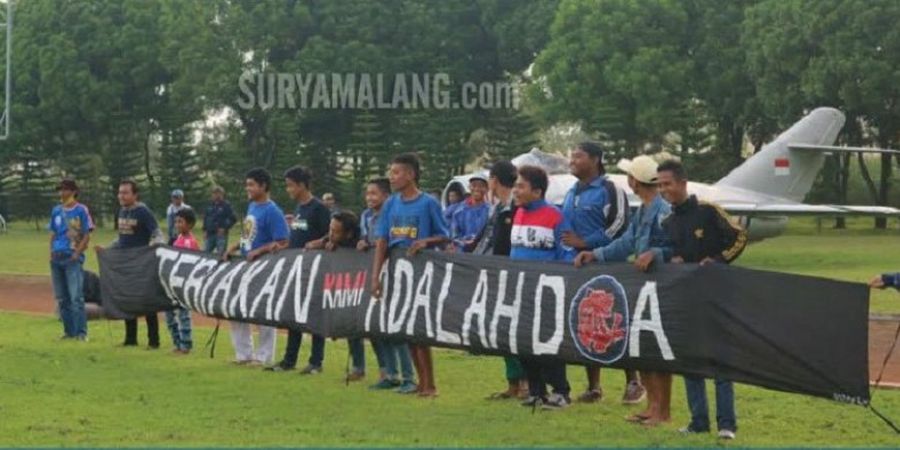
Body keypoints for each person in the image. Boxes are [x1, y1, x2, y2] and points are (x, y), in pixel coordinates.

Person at [574, 155, 674, 426]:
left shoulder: (663, 211)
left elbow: (676, 247)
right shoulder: (642, 211)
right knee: (643, 347)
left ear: (634, 181)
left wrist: (656, 253)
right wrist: (594, 254)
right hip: (643, 287)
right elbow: (626, 243)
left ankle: (662, 411)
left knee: (658, 350)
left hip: (662, 287)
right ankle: (652, 406)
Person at [656, 159, 747, 440]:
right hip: (686, 299)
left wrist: (718, 260)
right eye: (659, 185)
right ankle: (698, 421)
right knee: (690, 359)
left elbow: (739, 237)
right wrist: (672, 259)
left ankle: (726, 424)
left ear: (682, 183)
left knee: (720, 360)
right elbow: (668, 252)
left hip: (718, 297)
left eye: (667, 184)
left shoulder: (709, 211)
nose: (663, 190)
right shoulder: (667, 222)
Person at [560, 142, 640, 405]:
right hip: (579, 268)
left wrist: (587, 243)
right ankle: (594, 386)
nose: (572, 160)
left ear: (595, 159)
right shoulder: (572, 193)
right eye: (572, 155)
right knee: (587, 324)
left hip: (609, 266)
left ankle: (633, 382)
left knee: (617, 322)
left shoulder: (610, 189)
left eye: (578, 155)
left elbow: (620, 226)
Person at [370, 153, 449, 397]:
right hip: (397, 270)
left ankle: (430, 384)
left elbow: (445, 235)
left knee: (420, 329)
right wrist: (376, 276)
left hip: (420, 271)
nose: (391, 177)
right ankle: (418, 382)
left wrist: (425, 241)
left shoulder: (428, 203)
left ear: (411, 174)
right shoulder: (391, 204)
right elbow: (383, 240)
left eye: (396, 172)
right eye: (391, 172)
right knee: (407, 329)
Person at [511, 165, 576, 410]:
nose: (515, 191)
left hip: (547, 294)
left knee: (548, 344)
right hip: (521, 291)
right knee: (522, 342)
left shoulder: (555, 216)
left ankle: (561, 392)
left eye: (520, 186)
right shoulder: (518, 214)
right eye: (516, 185)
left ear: (537, 192)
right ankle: (537, 391)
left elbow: (567, 255)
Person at [265, 166, 331, 374]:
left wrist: (316, 243)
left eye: (291, 185)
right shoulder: (299, 209)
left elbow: (331, 236)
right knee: (292, 313)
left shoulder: (318, 208)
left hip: (315, 269)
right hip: (296, 269)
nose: (288, 190)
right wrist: (283, 246)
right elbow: (297, 238)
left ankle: (316, 362)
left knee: (314, 315)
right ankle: (289, 360)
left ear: (302, 185)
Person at [473, 162, 529, 400]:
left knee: (516, 329)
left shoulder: (517, 208)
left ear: (494, 180)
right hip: (494, 275)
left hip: (512, 276)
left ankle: (526, 382)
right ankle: (513, 383)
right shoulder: (498, 209)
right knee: (501, 329)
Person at [223, 168, 289, 366]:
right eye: (247, 184)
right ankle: (243, 354)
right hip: (245, 266)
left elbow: (283, 241)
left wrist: (259, 251)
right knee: (236, 308)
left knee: (262, 312)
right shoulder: (252, 206)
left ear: (263, 186)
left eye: (251, 184)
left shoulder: (273, 211)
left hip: (264, 268)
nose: (248, 188)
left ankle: (264, 356)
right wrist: (233, 247)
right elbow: (247, 235)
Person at [96, 179, 165, 348]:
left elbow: (156, 232)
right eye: (120, 192)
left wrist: (154, 246)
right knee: (128, 299)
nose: (121, 196)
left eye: (125, 193)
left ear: (135, 195)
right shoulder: (122, 212)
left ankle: (154, 341)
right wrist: (107, 249)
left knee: (147, 301)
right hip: (125, 262)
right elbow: (122, 238)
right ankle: (131, 339)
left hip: (141, 263)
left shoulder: (142, 212)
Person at [307, 211, 367, 380]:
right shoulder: (331, 238)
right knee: (350, 329)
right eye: (330, 229)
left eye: (335, 231)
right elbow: (312, 244)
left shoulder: (359, 242)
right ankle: (358, 368)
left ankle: (386, 372)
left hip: (362, 288)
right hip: (344, 290)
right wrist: (317, 245)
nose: (331, 234)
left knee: (368, 333)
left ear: (348, 233)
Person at [358, 178, 395, 387]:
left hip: (387, 270)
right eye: (367, 194)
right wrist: (363, 242)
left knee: (388, 326)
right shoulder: (365, 216)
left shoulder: (390, 215)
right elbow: (364, 237)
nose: (370, 198)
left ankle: (396, 372)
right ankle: (384, 370)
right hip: (370, 270)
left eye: (374, 194)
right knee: (372, 325)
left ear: (385, 196)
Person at [48, 178, 94, 341]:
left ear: (74, 192)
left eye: (65, 190)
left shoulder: (81, 210)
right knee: (62, 297)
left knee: (76, 297)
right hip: (57, 256)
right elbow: (53, 232)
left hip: (72, 255)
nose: (62, 193)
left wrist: (77, 252)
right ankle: (69, 332)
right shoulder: (56, 211)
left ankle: (81, 332)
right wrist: (51, 251)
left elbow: (87, 234)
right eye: (60, 190)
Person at [167, 208, 199, 354]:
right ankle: (177, 342)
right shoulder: (177, 239)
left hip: (183, 283)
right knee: (170, 315)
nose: (177, 224)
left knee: (183, 315)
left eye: (181, 221)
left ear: (190, 224)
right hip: (173, 282)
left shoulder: (189, 242)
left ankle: (185, 344)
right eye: (176, 221)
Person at [449, 175, 490, 252]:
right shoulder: (459, 211)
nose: (477, 189)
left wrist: (477, 243)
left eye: (481, 186)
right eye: (474, 185)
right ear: (469, 187)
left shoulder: (491, 211)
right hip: (462, 254)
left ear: (487, 189)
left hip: (482, 254)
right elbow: (454, 236)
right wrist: (464, 242)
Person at [202, 186, 237, 257]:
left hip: (220, 235)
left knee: (220, 255)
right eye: (214, 193)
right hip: (209, 234)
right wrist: (204, 230)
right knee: (205, 254)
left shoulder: (226, 205)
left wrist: (224, 228)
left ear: (222, 194)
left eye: (218, 193)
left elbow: (233, 218)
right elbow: (205, 218)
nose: (216, 195)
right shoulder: (209, 205)